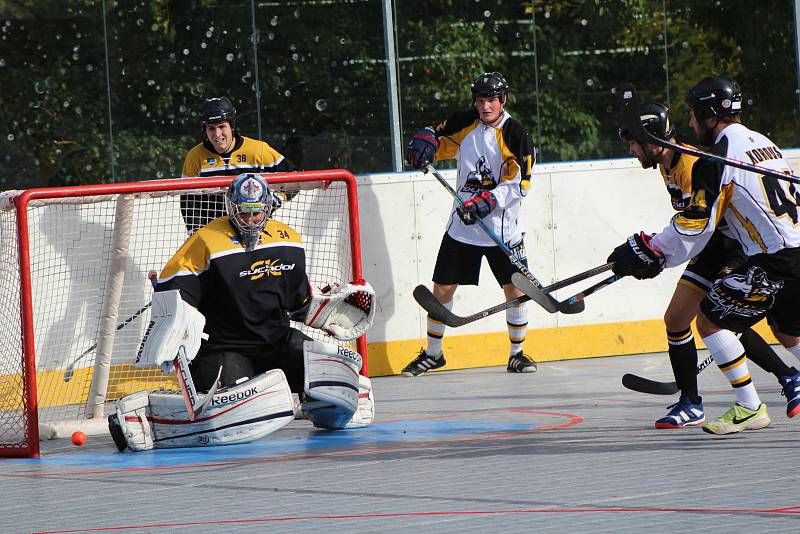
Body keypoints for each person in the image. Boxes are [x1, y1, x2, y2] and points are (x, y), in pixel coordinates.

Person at [108, 173, 376, 451]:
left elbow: (298, 303)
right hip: (224, 349)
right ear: (231, 208)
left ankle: (327, 404)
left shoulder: (290, 242)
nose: (250, 220)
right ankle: (155, 418)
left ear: (268, 208)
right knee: (237, 399)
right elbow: (173, 288)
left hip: (277, 343)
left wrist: (328, 310)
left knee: (329, 371)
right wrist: (175, 325)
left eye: (256, 212)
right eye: (243, 213)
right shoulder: (206, 240)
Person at [609, 76, 800, 435]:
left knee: (713, 320)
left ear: (711, 114)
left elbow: (698, 225)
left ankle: (750, 405)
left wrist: (652, 251)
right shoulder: (762, 142)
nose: (692, 125)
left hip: (763, 254)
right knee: (787, 332)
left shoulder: (713, 157)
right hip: (786, 248)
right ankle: (778, 384)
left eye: (696, 116)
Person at [402, 71, 537, 376]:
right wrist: (426, 145)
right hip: (462, 226)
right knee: (443, 289)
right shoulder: (465, 122)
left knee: (515, 290)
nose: (485, 106)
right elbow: (436, 140)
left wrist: (488, 202)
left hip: (503, 228)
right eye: (480, 100)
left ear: (503, 100)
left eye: (491, 100)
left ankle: (517, 353)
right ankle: (433, 354)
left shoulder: (517, 135)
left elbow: (521, 185)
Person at [180, 97, 298, 233]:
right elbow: (188, 199)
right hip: (215, 233)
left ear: (232, 126)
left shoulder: (258, 150)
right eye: (211, 128)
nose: (217, 134)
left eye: (222, 126)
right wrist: (194, 230)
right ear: (204, 130)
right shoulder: (195, 156)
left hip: (256, 229)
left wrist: (277, 199)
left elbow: (295, 177)